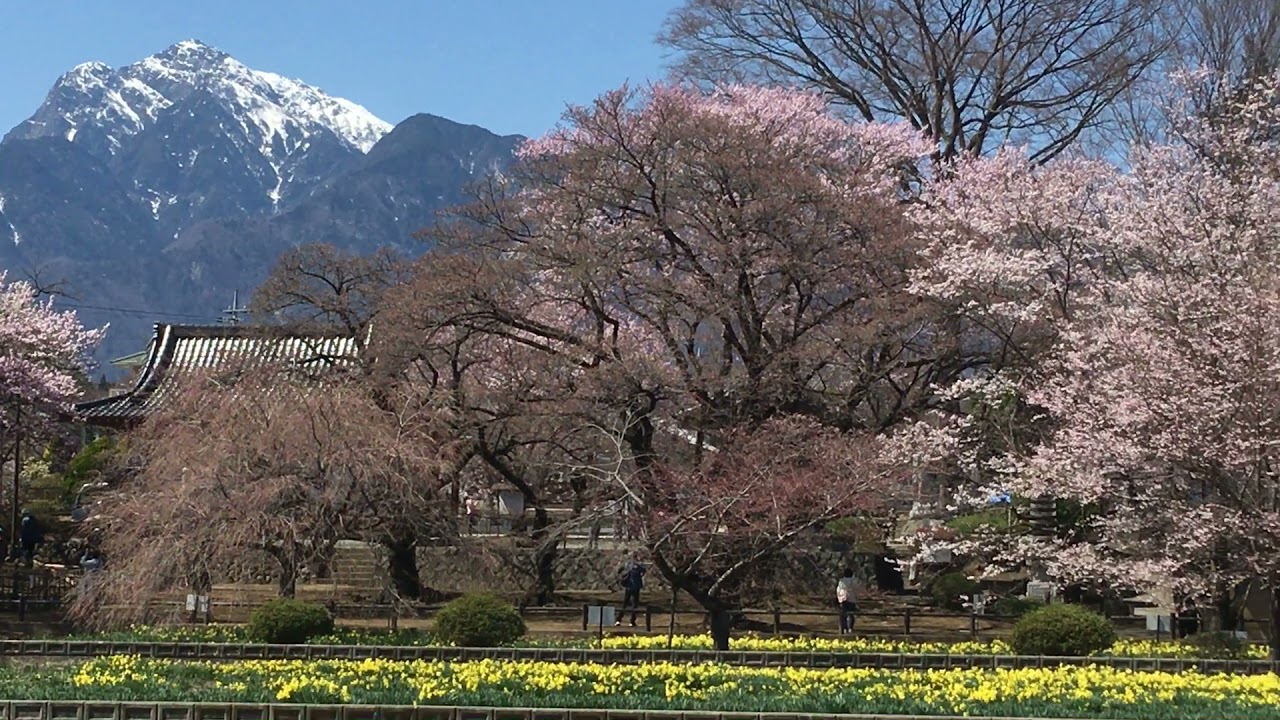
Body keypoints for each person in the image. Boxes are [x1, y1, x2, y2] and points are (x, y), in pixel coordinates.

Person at [616, 553, 647, 627]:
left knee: (625, 604)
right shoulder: (638, 566)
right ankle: (632, 621)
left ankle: (618, 620)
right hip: (636, 587)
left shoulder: (627, 564)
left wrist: (623, 576)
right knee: (634, 605)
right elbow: (644, 571)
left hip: (628, 587)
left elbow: (619, 570)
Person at [837, 568, 858, 634]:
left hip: (843, 599)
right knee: (851, 614)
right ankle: (850, 628)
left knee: (844, 614)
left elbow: (838, 590)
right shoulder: (854, 581)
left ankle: (844, 628)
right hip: (852, 599)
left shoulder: (841, 581)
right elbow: (856, 590)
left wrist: (839, 597)